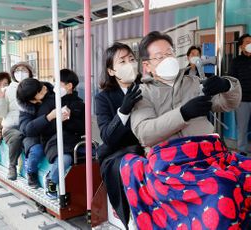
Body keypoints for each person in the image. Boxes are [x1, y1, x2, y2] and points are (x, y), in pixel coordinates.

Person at [119, 31, 251, 230]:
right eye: (160, 56)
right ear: (147, 65)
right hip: (171, 163)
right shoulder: (142, 93)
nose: (167, 59)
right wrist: (183, 113)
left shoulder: (194, 83)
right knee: (221, 187)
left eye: (170, 53)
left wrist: (227, 85)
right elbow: (145, 133)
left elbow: (227, 104)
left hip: (211, 154)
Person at [95, 42, 142, 228]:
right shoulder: (103, 98)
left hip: (145, 146)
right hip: (116, 151)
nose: (129, 64)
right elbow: (108, 136)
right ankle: (130, 219)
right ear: (111, 71)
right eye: (122, 61)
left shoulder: (146, 88)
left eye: (131, 59)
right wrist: (124, 110)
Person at [43, 69, 85, 199]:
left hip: (74, 140)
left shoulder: (79, 104)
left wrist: (68, 119)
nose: (55, 86)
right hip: (54, 140)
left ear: (69, 86)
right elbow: (45, 125)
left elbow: (83, 128)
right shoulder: (50, 102)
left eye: (58, 83)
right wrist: (56, 120)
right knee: (65, 159)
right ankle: (51, 179)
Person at [0, 62, 33, 180]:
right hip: (11, 127)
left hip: (29, 125)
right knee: (17, 137)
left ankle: (32, 171)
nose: (21, 73)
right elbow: (0, 114)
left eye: (24, 70)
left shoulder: (35, 88)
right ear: (13, 74)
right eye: (18, 70)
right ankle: (12, 166)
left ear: (29, 73)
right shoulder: (7, 90)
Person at [16, 78, 53, 188]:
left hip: (51, 132)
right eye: (40, 91)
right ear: (32, 99)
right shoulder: (26, 108)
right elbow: (27, 130)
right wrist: (47, 118)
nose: (44, 89)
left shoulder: (52, 93)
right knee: (36, 150)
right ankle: (31, 172)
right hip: (34, 135)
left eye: (41, 87)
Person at [229, 34, 251, 155]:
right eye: (247, 42)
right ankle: (242, 151)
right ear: (241, 46)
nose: (250, 44)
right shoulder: (236, 61)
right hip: (242, 100)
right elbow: (233, 80)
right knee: (242, 127)